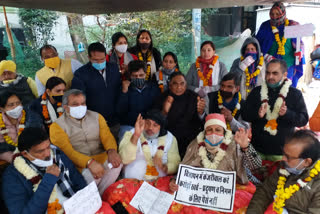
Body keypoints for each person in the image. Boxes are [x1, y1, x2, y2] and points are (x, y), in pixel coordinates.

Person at [49, 89, 122, 195]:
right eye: (75, 104)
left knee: (116, 164)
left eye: (83, 103)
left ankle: (102, 196)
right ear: (66, 107)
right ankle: (90, 201)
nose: (80, 107)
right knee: (90, 175)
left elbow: (107, 137)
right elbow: (68, 152)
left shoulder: (97, 117)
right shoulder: (56, 127)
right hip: (79, 165)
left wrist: (112, 150)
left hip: (101, 156)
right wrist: (89, 162)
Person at [2, 127, 87, 214]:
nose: (47, 154)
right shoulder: (12, 177)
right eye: (40, 151)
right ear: (25, 154)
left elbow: (77, 179)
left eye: (48, 147)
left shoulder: (55, 152)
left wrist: (85, 201)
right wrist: (48, 180)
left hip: (74, 204)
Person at [242, 59, 308, 161]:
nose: (270, 77)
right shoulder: (256, 92)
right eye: (267, 73)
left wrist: (287, 113)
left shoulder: (294, 94)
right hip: (257, 150)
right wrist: (257, 114)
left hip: (282, 153)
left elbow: (303, 120)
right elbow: (244, 115)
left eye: (275, 73)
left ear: (285, 74)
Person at [247, 130, 320, 214]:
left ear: (307, 162)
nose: (283, 159)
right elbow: (265, 192)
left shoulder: (317, 183)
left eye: (288, 157)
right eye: (284, 153)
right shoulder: (284, 166)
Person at [72, 42, 121, 138]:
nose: (99, 63)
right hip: (94, 123)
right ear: (89, 58)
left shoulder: (114, 68)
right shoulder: (81, 74)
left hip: (115, 120)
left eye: (102, 59)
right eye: (95, 60)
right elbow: (79, 99)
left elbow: (118, 90)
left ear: (106, 56)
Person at [153, 71, 205, 158]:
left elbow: (202, 121)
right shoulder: (162, 97)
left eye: (182, 84)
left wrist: (201, 113)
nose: (179, 87)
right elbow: (154, 122)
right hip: (169, 137)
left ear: (186, 85)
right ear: (169, 85)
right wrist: (164, 113)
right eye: (175, 84)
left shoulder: (193, 97)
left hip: (190, 137)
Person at [119, 110, 180, 180]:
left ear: (161, 127)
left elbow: (175, 163)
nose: (150, 128)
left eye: (155, 125)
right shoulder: (131, 133)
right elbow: (124, 159)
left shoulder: (170, 139)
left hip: (159, 180)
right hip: (134, 179)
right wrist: (136, 135)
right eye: (147, 123)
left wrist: (164, 167)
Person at [256, 1, 304, 87]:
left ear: (283, 13)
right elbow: (257, 45)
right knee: (270, 88)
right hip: (269, 64)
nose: (274, 16)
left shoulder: (292, 25)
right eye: (272, 13)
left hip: (288, 65)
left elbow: (299, 44)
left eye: (277, 13)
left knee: (286, 89)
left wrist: (300, 51)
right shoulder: (266, 26)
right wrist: (266, 56)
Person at [116, 60, 160, 138]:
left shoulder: (153, 88)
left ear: (146, 74)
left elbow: (157, 109)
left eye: (141, 75)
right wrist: (124, 92)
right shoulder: (124, 88)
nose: (138, 78)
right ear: (130, 75)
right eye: (134, 76)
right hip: (129, 125)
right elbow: (120, 111)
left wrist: (147, 123)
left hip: (148, 126)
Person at [0, 91, 42, 163]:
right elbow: (1, 148)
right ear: (2, 109)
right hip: (12, 158)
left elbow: (39, 138)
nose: (16, 107)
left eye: (18, 103)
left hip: (33, 152)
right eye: (11, 105)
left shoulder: (31, 117)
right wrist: (15, 158)